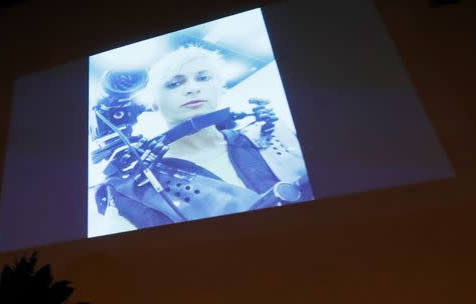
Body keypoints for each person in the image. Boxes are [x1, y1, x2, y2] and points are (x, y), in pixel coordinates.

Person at [94, 45, 312, 231]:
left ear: (221, 87)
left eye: (203, 78)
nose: (192, 88)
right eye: (174, 83)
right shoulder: (131, 190)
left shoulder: (278, 139)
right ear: (153, 103)